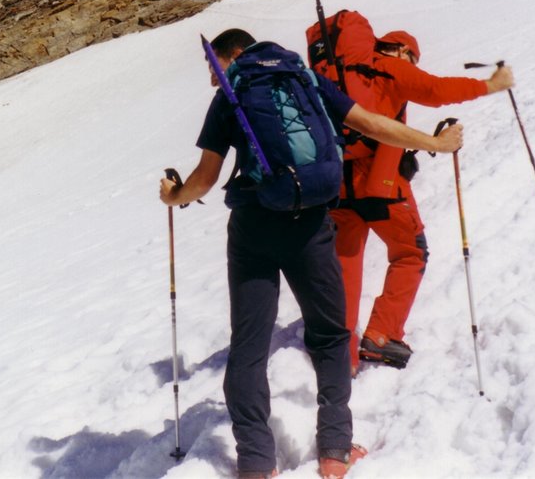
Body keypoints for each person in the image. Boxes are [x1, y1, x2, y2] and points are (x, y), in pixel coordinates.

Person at [159, 29, 463, 479]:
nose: (211, 79)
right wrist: (436, 144)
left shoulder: (232, 93)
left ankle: (257, 464)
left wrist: (172, 196)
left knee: (249, 346)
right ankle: (335, 453)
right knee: (330, 336)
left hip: (253, 230)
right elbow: (373, 123)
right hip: (313, 224)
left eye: (212, 66)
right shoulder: (307, 81)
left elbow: (205, 177)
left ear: (234, 54)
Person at [331, 30, 513, 373]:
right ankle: (381, 335)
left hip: (337, 187)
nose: (413, 65)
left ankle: (339, 353)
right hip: (381, 187)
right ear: (403, 51)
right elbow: (437, 90)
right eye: (413, 59)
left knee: (345, 261)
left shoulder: (344, 74)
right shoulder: (389, 66)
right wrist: (491, 85)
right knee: (410, 253)